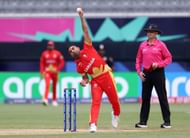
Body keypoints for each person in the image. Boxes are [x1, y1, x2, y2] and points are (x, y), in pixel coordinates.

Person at [68, 8, 120, 133]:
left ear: (78, 47)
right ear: (71, 56)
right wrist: (84, 81)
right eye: (70, 51)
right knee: (95, 102)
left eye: (73, 48)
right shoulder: (78, 66)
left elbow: (85, 30)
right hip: (96, 81)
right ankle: (93, 124)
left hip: (106, 75)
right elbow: (85, 77)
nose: (72, 50)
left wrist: (81, 16)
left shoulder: (88, 47)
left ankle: (116, 114)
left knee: (114, 100)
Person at [135, 24, 172, 128]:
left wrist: (159, 64)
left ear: (156, 34)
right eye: (148, 32)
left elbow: (169, 58)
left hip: (158, 73)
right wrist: (139, 72)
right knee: (145, 98)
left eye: (151, 32)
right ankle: (143, 122)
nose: (149, 33)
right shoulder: (142, 45)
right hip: (146, 73)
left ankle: (167, 122)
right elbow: (138, 59)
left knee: (162, 97)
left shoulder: (161, 45)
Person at [40, 40, 65, 106]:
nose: (50, 46)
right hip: (47, 72)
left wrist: (58, 69)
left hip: (55, 72)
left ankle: (54, 100)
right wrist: (42, 71)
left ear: (53, 46)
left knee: (54, 86)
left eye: (51, 45)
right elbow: (42, 63)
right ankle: (45, 99)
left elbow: (62, 62)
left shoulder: (57, 53)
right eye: (49, 45)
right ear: (47, 46)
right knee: (47, 85)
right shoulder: (44, 53)